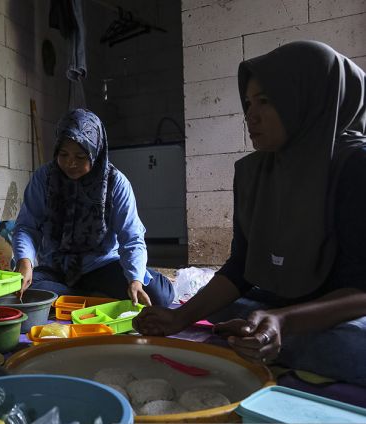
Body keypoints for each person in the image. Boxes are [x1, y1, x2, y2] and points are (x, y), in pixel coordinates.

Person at [133, 41, 366, 386]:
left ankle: (270, 334)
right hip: (284, 305)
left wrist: (283, 321)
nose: (250, 115)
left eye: (266, 101)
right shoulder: (255, 172)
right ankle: (265, 334)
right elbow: (242, 267)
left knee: (350, 347)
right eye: (247, 103)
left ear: (308, 99)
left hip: (339, 312)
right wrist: (178, 318)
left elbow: (361, 289)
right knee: (228, 311)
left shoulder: (354, 166)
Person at [13, 108, 174, 306]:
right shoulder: (44, 178)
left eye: (80, 157)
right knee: (20, 290)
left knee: (159, 297)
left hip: (102, 265)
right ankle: (90, 296)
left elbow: (131, 237)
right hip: (56, 269)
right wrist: (25, 261)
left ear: (95, 151)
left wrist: (135, 279)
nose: (70, 163)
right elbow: (27, 227)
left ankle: (75, 297)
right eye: (63, 154)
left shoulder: (116, 183)